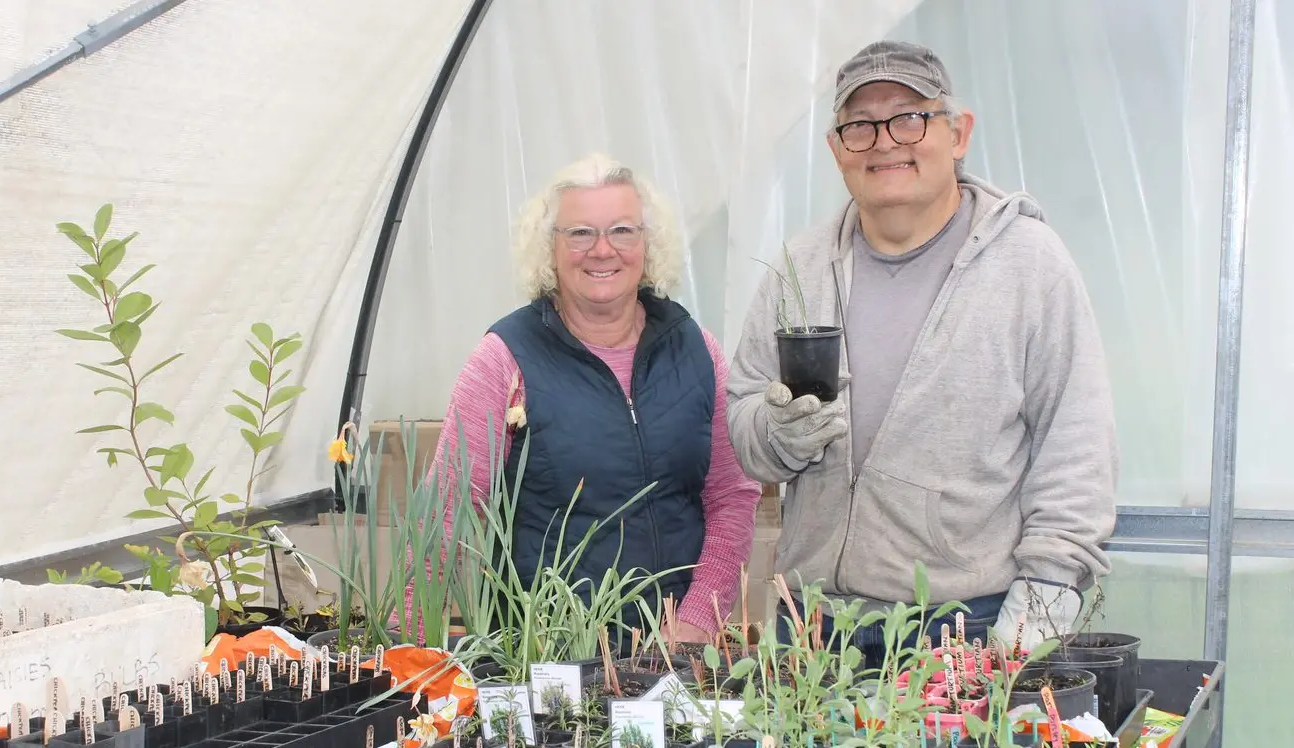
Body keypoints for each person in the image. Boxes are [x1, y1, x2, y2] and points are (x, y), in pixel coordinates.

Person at [726, 40, 1117, 666]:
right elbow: (746, 422)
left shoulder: (1029, 265)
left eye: (910, 118)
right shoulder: (799, 270)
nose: (885, 142)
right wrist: (778, 432)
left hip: (966, 626)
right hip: (812, 626)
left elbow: (1076, 449)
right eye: (860, 125)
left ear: (958, 133)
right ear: (836, 149)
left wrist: (1037, 615)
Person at [424, 152, 762, 645]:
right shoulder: (505, 359)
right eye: (580, 233)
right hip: (546, 653)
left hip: (675, 653)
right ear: (550, 249)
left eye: (622, 230)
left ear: (647, 244)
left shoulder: (695, 349)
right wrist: (407, 653)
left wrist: (697, 620)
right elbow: (446, 513)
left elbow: (732, 495)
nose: (603, 250)